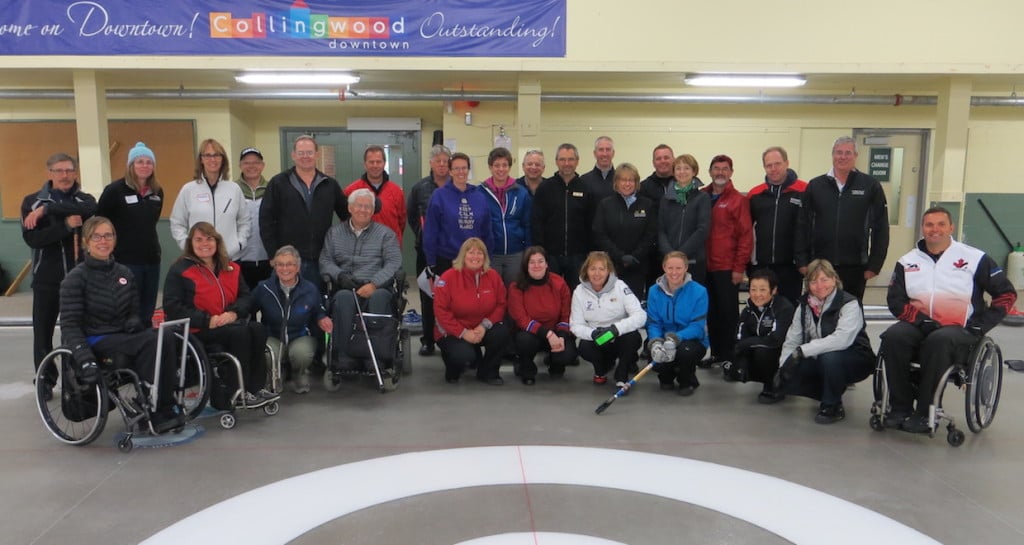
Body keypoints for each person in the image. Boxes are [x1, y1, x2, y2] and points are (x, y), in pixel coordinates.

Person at [878, 207, 1016, 433]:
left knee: (939, 340)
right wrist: (921, 321)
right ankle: (899, 408)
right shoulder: (908, 261)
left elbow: (1007, 294)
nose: (935, 230)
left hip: (958, 330)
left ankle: (926, 412)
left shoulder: (975, 258)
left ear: (951, 227)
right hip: (920, 324)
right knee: (893, 337)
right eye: (929, 225)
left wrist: (980, 325)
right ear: (922, 228)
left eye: (941, 224)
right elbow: (896, 301)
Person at [58, 216, 184, 432]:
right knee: (148, 342)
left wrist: (134, 321)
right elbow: (70, 326)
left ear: (115, 239)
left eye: (108, 235)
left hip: (122, 336)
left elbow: (133, 310)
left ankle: (163, 403)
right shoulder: (75, 278)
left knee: (166, 336)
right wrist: (85, 359)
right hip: (96, 338)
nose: (103, 241)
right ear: (87, 242)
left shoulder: (124, 273)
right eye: (96, 236)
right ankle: (151, 407)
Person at [163, 222, 278, 407]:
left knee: (257, 328)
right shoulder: (180, 270)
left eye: (209, 239)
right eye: (198, 240)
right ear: (190, 243)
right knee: (240, 334)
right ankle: (237, 391)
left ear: (217, 242)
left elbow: (246, 297)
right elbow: (172, 307)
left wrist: (234, 313)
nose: (204, 244)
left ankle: (255, 388)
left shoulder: (231, 267)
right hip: (198, 329)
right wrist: (208, 320)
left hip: (228, 323)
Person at [22, 152, 97, 376]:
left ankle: (73, 379)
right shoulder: (31, 201)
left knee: (75, 332)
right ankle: (45, 379)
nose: (65, 175)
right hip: (46, 280)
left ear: (75, 173)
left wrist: (48, 210)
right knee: (43, 334)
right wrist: (64, 226)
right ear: (49, 173)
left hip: (79, 279)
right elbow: (33, 239)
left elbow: (89, 210)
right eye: (59, 171)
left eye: (69, 170)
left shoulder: (84, 200)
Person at [776, 259, 875, 424]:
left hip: (856, 358)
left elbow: (842, 339)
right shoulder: (803, 306)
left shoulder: (849, 303)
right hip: (821, 357)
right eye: (813, 281)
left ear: (834, 280)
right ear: (808, 285)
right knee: (791, 373)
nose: (819, 286)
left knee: (828, 357)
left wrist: (803, 350)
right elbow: (792, 339)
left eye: (824, 279)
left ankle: (832, 405)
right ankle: (827, 392)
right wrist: (783, 367)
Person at [796, 136, 889, 301]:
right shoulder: (815, 186)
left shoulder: (870, 186)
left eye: (848, 153)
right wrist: (803, 262)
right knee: (820, 314)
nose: (843, 157)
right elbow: (802, 225)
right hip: (820, 266)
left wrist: (875, 264)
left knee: (851, 315)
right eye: (839, 152)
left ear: (855, 156)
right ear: (832, 155)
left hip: (855, 267)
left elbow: (880, 228)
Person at [319, 188, 403, 372]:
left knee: (380, 298)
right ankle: (344, 355)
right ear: (350, 208)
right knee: (342, 299)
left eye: (368, 207)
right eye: (359, 206)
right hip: (346, 285)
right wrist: (340, 275)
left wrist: (374, 283)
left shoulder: (385, 234)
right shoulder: (334, 233)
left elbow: (394, 262)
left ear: (373, 211)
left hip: (377, 286)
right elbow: (325, 260)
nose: (363, 210)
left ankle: (376, 357)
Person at [260, 135, 349, 289]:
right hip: (287, 261)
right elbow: (265, 220)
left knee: (316, 305)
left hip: (320, 259)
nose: (305, 157)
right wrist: (273, 254)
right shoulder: (278, 183)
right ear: (293, 155)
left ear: (317, 154)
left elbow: (347, 216)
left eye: (309, 152)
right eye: (301, 153)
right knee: (286, 304)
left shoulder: (329, 184)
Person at [96, 142, 164, 328]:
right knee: (128, 308)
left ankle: (145, 346)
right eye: (139, 161)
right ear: (131, 165)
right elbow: (100, 222)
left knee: (147, 309)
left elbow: (150, 223)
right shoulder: (114, 191)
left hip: (151, 259)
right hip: (125, 260)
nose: (144, 165)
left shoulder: (157, 192)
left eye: (149, 162)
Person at [253, 245, 332, 395]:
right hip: (273, 336)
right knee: (268, 354)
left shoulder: (310, 289)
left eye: (289, 264)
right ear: (275, 267)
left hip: (301, 336)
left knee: (302, 354)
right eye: (280, 264)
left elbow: (318, 310)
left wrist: (322, 318)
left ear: (297, 267)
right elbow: (248, 305)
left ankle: (299, 373)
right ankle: (276, 372)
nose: (285, 269)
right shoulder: (264, 288)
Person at [433, 237, 511, 385]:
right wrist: (463, 333)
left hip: (480, 328)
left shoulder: (493, 276)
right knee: (463, 358)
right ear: (463, 255)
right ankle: (453, 368)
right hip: (452, 331)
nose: (475, 257)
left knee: (502, 332)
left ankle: (489, 372)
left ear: (485, 256)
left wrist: (483, 326)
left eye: (480, 253)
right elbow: (441, 312)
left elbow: (501, 304)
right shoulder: (448, 277)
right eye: (471, 252)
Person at [702, 154, 753, 367]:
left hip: (727, 267)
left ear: (731, 172)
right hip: (705, 266)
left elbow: (745, 236)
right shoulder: (701, 196)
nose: (720, 172)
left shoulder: (738, 200)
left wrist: (738, 267)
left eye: (725, 169)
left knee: (728, 313)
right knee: (711, 312)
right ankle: (716, 353)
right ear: (710, 171)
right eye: (716, 168)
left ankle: (731, 357)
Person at [570, 251, 645, 389]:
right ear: (586, 270)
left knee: (633, 338)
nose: (597, 273)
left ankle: (622, 372)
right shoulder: (579, 292)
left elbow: (640, 315)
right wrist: (592, 333)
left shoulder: (620, 287)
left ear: (608, 271)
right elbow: (575, 325)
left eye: (601, 269)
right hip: (598, 339)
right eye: (592, 269)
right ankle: (601, 369)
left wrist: (617, 329)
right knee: (584, 347)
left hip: (618, 336)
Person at [170, 138, 250, 261]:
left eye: (217, 155)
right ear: (201, 159)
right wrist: (187, 246)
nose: (212, 159)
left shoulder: (234, 189)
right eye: (207, 155)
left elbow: (244, 221)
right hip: (198, 259)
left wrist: (239, 244)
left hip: (230, 257)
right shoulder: (189, 189)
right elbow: (177, 222)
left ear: (222, 159)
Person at [507, 246, 577, 384]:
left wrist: (561, 336)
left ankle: (555, 362)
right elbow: (521, 319)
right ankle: (526, 368)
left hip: (556, 333)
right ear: (525, 265)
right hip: (530, 334)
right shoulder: (516, 286)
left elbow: (566, 314)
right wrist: (548, 334)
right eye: (532, 262)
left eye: (540, 261)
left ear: (546, 264)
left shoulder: (559, 283)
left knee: (568, 355)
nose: (537, 265)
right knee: (524, 341)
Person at [747, 146, 807, 304]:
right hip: (761, 266)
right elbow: (746, 231)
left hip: (792, 267)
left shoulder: (804, 191)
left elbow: (810, 229)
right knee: (762, 310)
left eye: (777, 164)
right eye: (769, 165)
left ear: (786, 163)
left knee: (789, 309)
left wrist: (804, 261)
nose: (773, 169)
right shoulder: (755, 194)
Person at [407, 144, 452, 356]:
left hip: (453, 253)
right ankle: (428, 339)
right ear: (431, 163)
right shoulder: (420, 188)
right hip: (426, 252)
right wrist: (422, 235)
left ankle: (450, 336)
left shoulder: (457, 186)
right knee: (427, 295)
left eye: (445, 161)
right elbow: (411, 217)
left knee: (452, 297)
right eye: (438, 161)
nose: (442, 165)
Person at [725, 268, 795, 403]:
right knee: (736, 360)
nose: (757, 294)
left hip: (780, 355)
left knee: (763, 352)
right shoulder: (748, 309)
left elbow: (776, 339)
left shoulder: (783, 308)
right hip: (757, 347)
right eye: (753, 289)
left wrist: (747, 344)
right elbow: (739, 336)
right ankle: (750, 374)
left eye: (762, 289)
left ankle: (775, 385)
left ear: (773, 290)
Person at [646, 251, 709, 396]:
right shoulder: (653, 291)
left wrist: (675, 338)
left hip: (691, 339)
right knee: (653, 351)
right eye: (670, 268)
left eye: (679, 268)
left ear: (686, 268)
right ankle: (666, 376)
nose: (674, 272)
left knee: (684, 353)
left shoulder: (699, 292)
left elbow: (697, 326)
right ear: (664, 268)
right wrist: (655, 342)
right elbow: (654, 322)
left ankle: (685, 379)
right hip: (663, 337)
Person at [592, 162, 656, 298]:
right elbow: (600, 234)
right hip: (611, 267)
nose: (627, 184)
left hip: (638, 266)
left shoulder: (647, 204)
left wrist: (635, 257)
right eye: (623, 180)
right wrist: (620, 256)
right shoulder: (605, 204)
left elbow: (650, 235)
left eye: (631, 180)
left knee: (633, 308)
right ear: (616, 182)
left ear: (636, 182)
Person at [423, 152, 492, 276]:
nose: (461, 172)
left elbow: (486, 230)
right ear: (450, 172)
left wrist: (488, 257)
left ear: (468, 170)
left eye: (464, 168)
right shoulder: (439, 196)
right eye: (456, 168)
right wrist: (431, 261)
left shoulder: (479, 196)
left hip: (474, 259)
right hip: (447, 259)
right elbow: (431, 231)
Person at [532, 143, 591, 288]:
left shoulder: (585, 188)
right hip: (550, 255)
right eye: (562, 159)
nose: (567, 163)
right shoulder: (545, 188)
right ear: (556, 161)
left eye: (571, 159)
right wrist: (540, 250)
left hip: (578, 256)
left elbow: (590, 223)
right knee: (551, 292)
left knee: (576, 293)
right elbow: (537, 221)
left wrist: (588, 252)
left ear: (577, 161)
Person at [481, 147, 532, 284]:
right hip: (490, 254)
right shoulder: (480, 192)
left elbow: (527, 224)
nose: (501, 169)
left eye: (504, 165)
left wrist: (527, 251)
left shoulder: (521, 192)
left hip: (515, 254)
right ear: (490, 167)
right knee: (492, 291)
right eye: (497, 165)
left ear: (509, 167)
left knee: (514, 292)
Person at [657, 154, 711, 283]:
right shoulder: (666, 199)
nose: (682, 172)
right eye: (678, 168)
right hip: (669, 261)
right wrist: (670, 255)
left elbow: (702, 229)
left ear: (694, 171)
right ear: (674, 172)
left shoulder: (702, 198)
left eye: (686, 168)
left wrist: (680, 255)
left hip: (693, 261)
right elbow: (661, 229)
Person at [345, 145, 407, 245]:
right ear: (365, 164)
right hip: (360, 251)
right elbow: (345, 222)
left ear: (384, 164)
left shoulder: (396, 191)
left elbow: (402, 222)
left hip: (389, 250)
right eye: (371, 162)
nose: (375, 165)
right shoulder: (351, 191)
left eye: (378, 162)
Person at [234, 147, 272, 292]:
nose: (251, 166)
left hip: (268, 260)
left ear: (262, 165)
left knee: (268, 307)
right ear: (240, 165)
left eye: (256, 162)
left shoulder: (272, 188)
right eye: (247, 163)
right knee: (244, 307)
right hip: (240, 260)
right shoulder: (232, 190)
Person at [580, 136, 616, 205]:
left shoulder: (621, 179)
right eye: (601, 150)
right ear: (594, 153)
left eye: (608, 149)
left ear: (613, 153)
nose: (604, 154)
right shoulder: (584, 180)